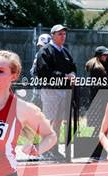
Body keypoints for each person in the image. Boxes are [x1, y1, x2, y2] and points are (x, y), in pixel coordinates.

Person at [36, 24, 77, 161]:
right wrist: (65, 77)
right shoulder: (45, 51)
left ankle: (53, 149)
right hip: (50, 91)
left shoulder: (65, 51)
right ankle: (44, 150)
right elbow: (43, 72)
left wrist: (72, 74)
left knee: (58, 122)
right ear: (52, 35)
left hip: (64, 92)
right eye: (60, 33)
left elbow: (73, 67)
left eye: (64, 34)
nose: (63, 36)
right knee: (49, 120)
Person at [85, 46, 108, 159]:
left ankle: (100, 151)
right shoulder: (96, 67)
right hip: (98, 100)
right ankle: (95, 152)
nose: (107, 57)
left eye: (107, 55)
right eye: (104, 55)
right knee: (99, 127)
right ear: (98, 56)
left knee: (104, 127)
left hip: (104, 99)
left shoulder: (106, 63)